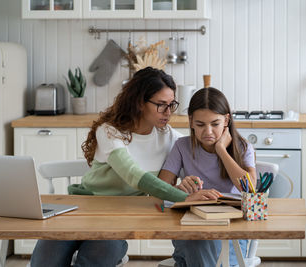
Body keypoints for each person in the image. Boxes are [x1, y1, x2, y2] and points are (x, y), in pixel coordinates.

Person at [30, 67, 220, 267]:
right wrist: (185, 198)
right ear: (139, 102)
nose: (168, 112)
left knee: (100, 253)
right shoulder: (110, 131)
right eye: (161, 105)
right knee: (46, 258)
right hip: (81, 208)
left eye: (172, 104)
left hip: (117, 219)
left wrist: (222, 143)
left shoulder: (169, 137)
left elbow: (203, 152)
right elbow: (132, 174)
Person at [159, 87, 257, 267]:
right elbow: (160, 189)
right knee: (197, 242)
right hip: (192, 226)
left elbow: (249, 189)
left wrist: (221, 151)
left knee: (200, 251)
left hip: (231, 232)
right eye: (200, 125)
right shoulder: (182, 146)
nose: (208, 132)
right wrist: (181, 190)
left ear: (226, 120)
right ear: (191, 122)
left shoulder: (243, 148)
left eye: (215, 124)